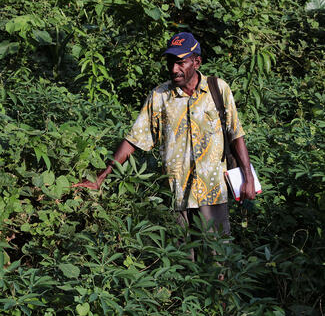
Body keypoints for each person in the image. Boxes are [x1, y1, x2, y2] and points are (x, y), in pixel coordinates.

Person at [74, 32, 255, 242]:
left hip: (213, 193)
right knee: (183, 264)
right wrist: (101, 176)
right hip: (177, 196)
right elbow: (134, 139)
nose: (173, 69)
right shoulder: (160, 96)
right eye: (170, 62)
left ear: (197, 62)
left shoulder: (218, 88)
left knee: (218, 259)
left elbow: (236, 135)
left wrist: (248, 178)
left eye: (180, 62)